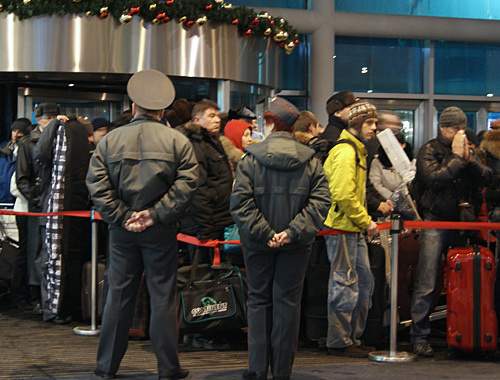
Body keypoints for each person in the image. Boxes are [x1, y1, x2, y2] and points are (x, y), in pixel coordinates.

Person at [86, 69, 198, 380]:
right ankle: (168, 368)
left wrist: (122, 216)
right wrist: (155, 214)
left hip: (122, 231)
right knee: (163, 296)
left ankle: (106, 366)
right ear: (163, 110)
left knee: (118, 296)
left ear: (134, 107)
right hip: (160, 230)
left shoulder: (110, 141)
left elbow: (96, 185)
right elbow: (187, 185)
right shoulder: (178, 141)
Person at [230, 97, 331, 380]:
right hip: (297, 244)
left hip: (257, 242)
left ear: (270, 121)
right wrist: (291, 232)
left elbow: (240, 204)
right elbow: (321, 203)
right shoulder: (311, 160)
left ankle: (258, 368)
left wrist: (266, 233)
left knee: (259, 301)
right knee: (288, 303)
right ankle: (283, 371)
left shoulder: (250, 159)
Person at [410, 106, 491, 357]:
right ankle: (419, 337)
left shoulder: (468, 150)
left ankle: (463, 334)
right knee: (427, 282)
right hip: (434, 222)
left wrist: (468, 159)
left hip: (463, 222)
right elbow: (434, 177)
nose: (460, 133)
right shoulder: (428, 150)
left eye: (462, 128)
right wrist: (457, 159)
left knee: (465, 282)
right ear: (442, 128)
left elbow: (487, 177)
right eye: (455, 128)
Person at [323, 101, 379, 358]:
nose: (374, 128)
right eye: (369, 123)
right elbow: (344, 195)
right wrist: (366, 220)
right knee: (345, 285)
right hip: (343, 229)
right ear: (356, 123)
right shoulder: (346, 152)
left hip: (352, 228)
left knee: (362, 284)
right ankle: (340, 341)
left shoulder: (356, 149)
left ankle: (351, 339)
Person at [34, 115, 92, 323]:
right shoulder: (85, 144)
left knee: (51, 258)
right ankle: (71, 307)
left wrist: (53, 127)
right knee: (73, 259)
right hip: (77, 209)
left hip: (54, 211)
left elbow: (39, 154)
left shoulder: (59, 138)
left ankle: (54, 308)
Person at [16, 102, 60, 317]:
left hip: (56, 204)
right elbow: (22, 177)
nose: (50, 121)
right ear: (39, 119)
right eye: (47, 118)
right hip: (39, 205)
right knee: (36, 251)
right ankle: (36, 297)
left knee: (50, 251)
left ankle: (48, 297)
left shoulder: (61, 139)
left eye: (53, 117)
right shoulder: (28, 143)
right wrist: (34, 198)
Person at [177, 99, 233, 262]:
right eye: (211, 116)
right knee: (202, 275)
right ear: (197, 120)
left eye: (217, 115)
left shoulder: (212, 140)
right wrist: (204, 230)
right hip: (202, 226)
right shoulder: (195, 144)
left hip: (215, 220)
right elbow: (197, 189)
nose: (217, 120)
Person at [322, 92, 393, 218]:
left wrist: (379, 201)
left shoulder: (353, 142)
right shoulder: (340, 143)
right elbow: (345, 192)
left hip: (348, 216)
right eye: (351, 109)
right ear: (337, 112)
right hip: (342, 218)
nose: (373, 128)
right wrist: (373, 208)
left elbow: (362, 181)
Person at [7, 118, 33, 310]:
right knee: (24, 252)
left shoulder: (24, 151)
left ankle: (23, 292)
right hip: (24, 210)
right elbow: (16, 187)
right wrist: (37, 197)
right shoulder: (23, 153)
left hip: (27, 209)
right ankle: (18, 293)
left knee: (28, 252)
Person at [369, 132, 415, 200]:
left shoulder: (412, 162)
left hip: (408, 199)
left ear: (403, 145)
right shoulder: (377, 162)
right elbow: (375, 183)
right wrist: (393, 197)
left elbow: (414, 183)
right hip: (385, 200)